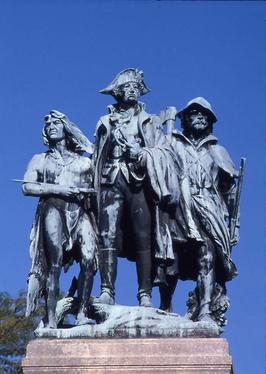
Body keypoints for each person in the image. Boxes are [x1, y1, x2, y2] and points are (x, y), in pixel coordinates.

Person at [93, 68, 178, 307]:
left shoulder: (149, 122)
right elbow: (96, 158)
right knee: (106, 235)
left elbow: (164, 152)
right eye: (127, 87)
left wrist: (142, 153)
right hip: (110, 180)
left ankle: (145, 293)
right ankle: (107, 290)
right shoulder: (105, 122)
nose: (132, 91)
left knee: (144, 235)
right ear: (118, 92)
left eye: (135, 88)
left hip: (139, 181)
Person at [160, 97, 239, 325]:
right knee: (169, 258)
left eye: (205, 115)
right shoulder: (173, 143)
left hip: (208, 206)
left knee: (207, 255)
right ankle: (165, 305)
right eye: (195, 113)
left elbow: (229, 190)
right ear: (186, 117)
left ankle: (204, 308)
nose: (200, 117)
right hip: (178, 207)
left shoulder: (218, 150)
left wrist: (236, 224)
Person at [23, 110, 97, 328]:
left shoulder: (85, 162)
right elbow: (27, 186)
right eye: (48, 125)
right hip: (52, 208)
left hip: (79, 211)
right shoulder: (40, 159)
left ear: (66, 127)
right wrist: (61, 190)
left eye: (56, 123)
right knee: (54, 263)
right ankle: (52, 320)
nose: (52, 127)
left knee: (89, 258)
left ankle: (83, 312)